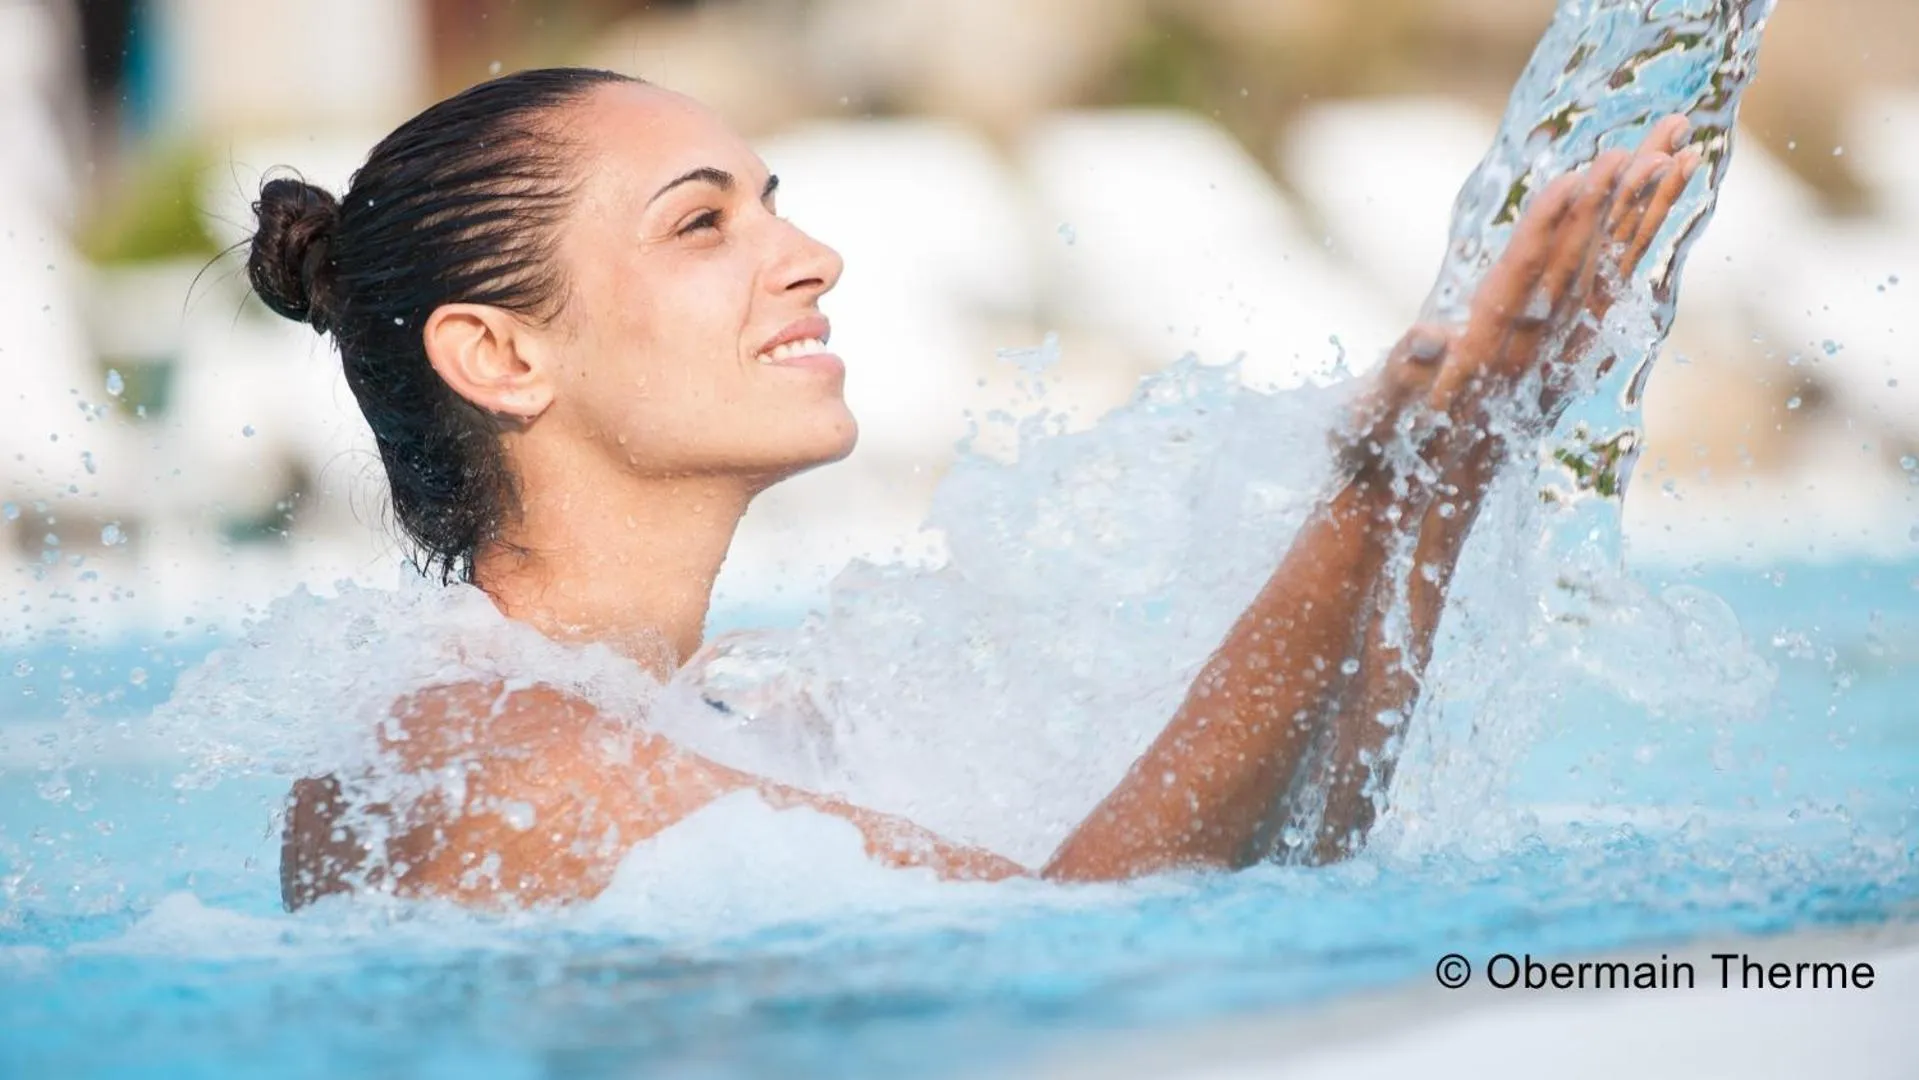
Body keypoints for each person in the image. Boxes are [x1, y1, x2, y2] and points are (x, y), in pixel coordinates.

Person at [253, 68, 1698, 910]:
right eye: (702, 223)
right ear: (501, 356)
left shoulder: (746, 713)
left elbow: (1275, 869)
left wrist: (1451, 466)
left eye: (774, 203)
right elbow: (1097, 949)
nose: (811, 257)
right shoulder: (466, 757)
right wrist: (1363, 494)